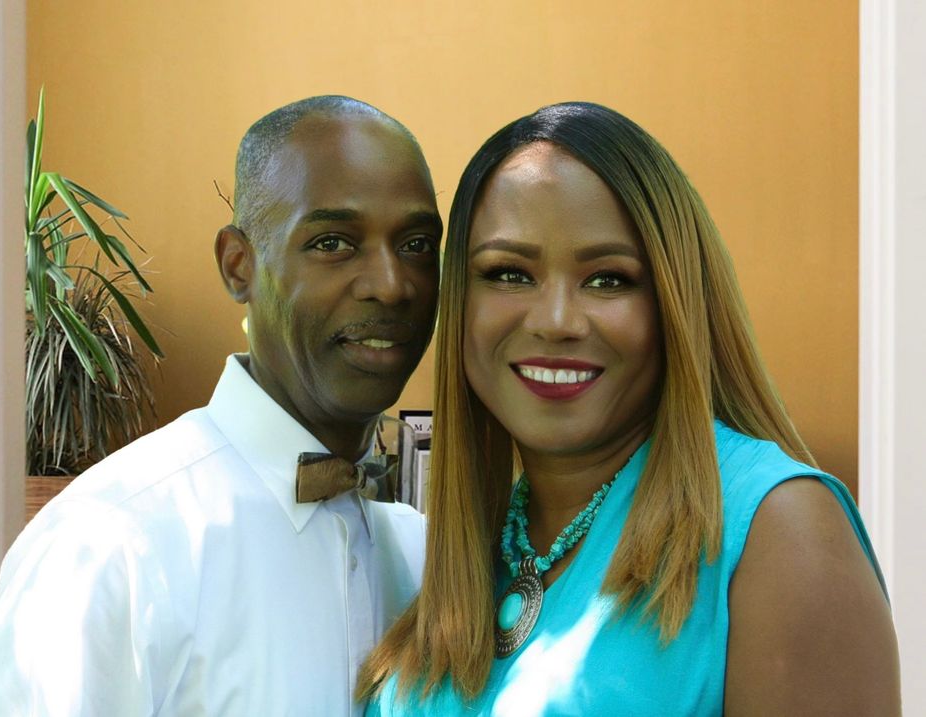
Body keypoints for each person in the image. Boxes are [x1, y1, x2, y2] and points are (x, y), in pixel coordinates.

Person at [359, 102, 900, 716]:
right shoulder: (472, 553)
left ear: (673, 300)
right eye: (508, 273)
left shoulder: (779, 530)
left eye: (608, 279)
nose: (556, 321)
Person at [0, 95, 442, 716]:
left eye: (417, 244)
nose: (391, 283)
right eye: (332, 241)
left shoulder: (421, 556)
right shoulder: (111, 546)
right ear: (238, 265)